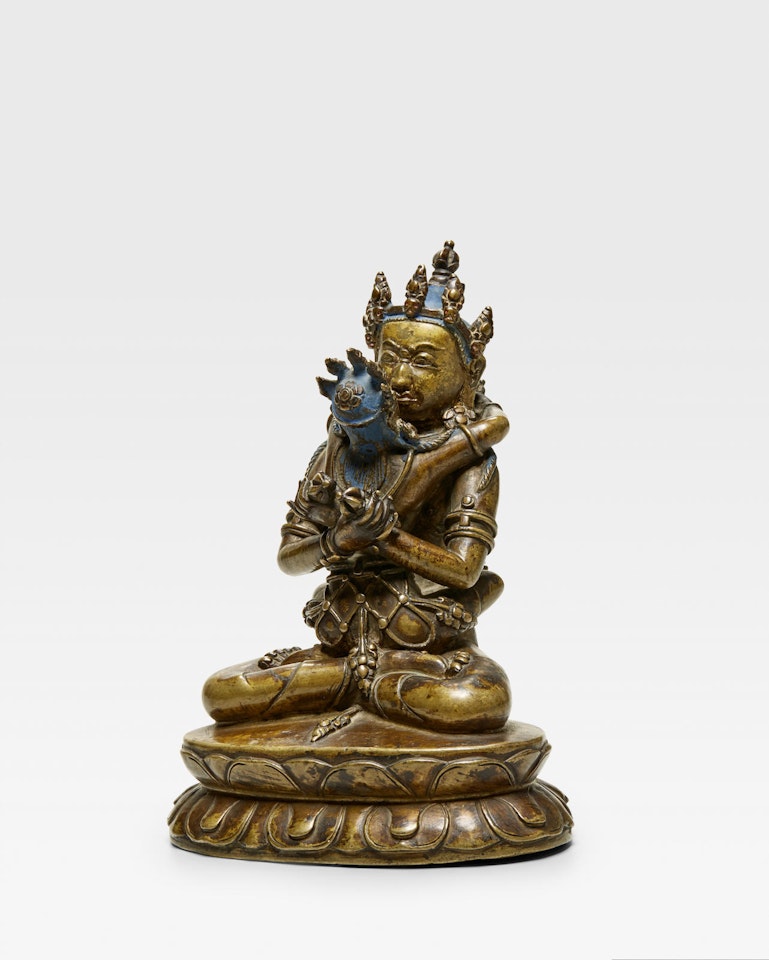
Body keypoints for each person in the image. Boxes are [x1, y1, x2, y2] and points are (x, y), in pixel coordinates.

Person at [203, 242, 512, 736]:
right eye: (391, 358)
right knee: (222, 692)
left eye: (423, 362)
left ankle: (356, 694)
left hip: (427, 646)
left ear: (467, 374)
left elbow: (465, 569)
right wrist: (341, 540)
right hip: (339, 639)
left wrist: (387, 538)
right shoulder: (337, 450)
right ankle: (362, 690)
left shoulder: (471, 462)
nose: (402, 377)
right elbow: (290, 558)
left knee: (477, 702)